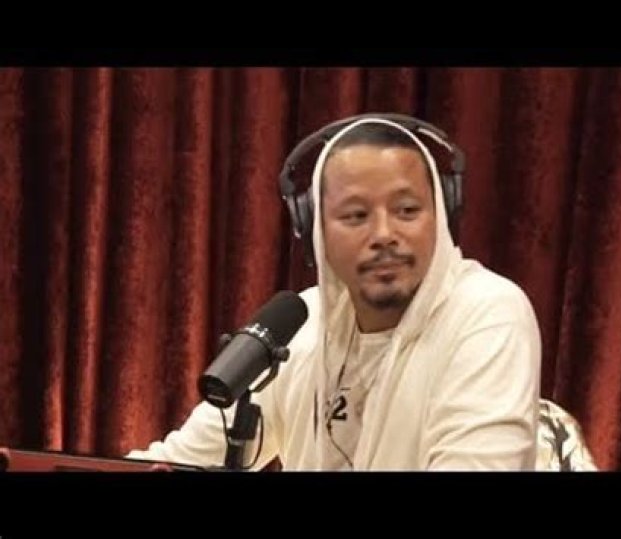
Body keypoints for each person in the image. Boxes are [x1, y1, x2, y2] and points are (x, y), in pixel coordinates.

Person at [126, 114, 542, 470]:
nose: (384, 234)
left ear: (442, 216)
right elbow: (180, 460)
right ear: (315, 232)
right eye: (356, 215)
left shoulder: (487, 314)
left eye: (407, 210)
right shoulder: (303, 327)